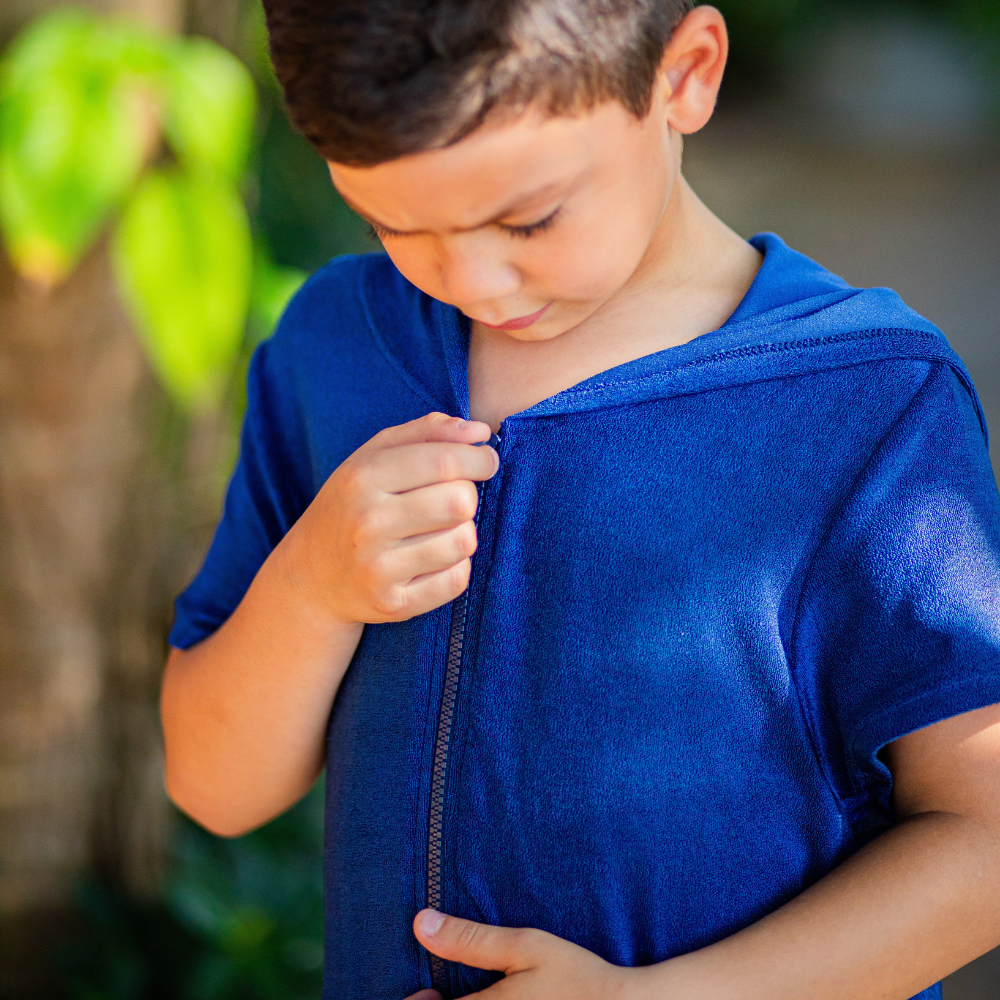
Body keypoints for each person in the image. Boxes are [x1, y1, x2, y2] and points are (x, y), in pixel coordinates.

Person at [159, 2, 1000, 999]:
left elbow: (981, 836)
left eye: (528, 219)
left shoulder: (867, 400)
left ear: (683, 76)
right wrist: (310, 589)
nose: (475, 281)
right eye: (396, 225)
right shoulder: (332, 345)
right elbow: (215, 786)